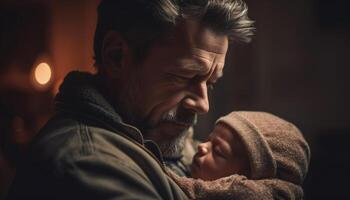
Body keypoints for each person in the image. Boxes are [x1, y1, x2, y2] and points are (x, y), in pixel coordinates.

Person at [7, 0, 301, 199]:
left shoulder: (163, 138)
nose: (203, 104)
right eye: (184, 76)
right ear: (116, 56)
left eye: (210, 83)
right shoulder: (85, 165)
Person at [168, 111, 311, 200]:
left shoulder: (250, 193)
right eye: (209, 139)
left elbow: (191, 188)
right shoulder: (200, 160)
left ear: (250, 178)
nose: (202, 146)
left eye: (218, 151)